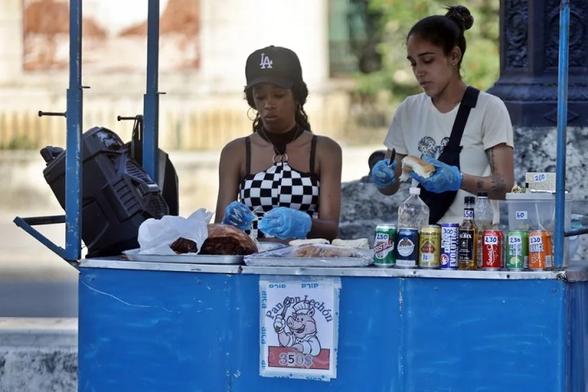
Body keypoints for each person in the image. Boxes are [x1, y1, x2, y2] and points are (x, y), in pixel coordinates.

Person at [371, 5, 514, 224]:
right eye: (413, 63)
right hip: (422, 239)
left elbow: (504, 186)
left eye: (427, 60)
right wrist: (384, 179)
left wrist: (458, 179)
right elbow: (393, 183)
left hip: (471, 238)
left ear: (454, 56)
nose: (419, 71)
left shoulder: (489, 108)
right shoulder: (408, 110)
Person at [214, 45, 342, 240]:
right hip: (250, 262)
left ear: (297, 95)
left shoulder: (325, 151)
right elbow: (220, 230)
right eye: (260, 96)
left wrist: (305, 223)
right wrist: (229, 223)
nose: (268, 104)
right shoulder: (236, 152)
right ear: (251, 100)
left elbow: (331, 229)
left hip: (305, 262)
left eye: (279, 95)